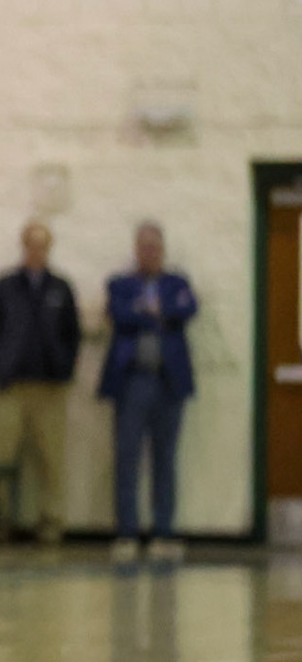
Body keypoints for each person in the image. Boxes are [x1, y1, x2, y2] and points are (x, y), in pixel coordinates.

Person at [99, 222, 198, 563]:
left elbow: (188, 309)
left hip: (169, 383)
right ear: (136, 250)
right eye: (144, 248)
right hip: (132, 382)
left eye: (155, 248)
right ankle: (127, 532)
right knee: (127, 457)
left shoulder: (177, 283)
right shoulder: (120, 284)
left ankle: (163, 531)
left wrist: (152, 313)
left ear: (163, 250)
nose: (149, 253)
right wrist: (155, 317)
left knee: (165, 458)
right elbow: (119, 314)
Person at [0, 221, 81, 545]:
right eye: (31, 245)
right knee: (1, 459)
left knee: (51, 460)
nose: (36, 251)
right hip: (8, 387)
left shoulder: (60, 288)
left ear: (49, 249)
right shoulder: (6, 285)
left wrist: (64, 370)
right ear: (23, 247)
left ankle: (50, 524)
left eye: (42, 245)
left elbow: (72, 334)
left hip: (48, 388)